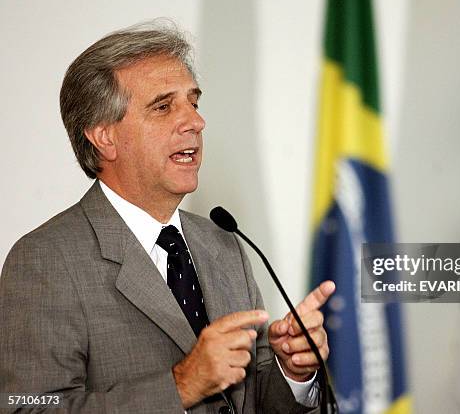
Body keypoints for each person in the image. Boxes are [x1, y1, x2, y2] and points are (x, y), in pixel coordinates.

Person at [0, 22, 335, 413]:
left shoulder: (223, 244)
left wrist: (292, 372)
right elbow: (23, 407)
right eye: (163, 106)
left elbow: (249, 399)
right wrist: (181, 385)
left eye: (193, 101)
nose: (195, 121)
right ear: (104, 137)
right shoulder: (46, 260)